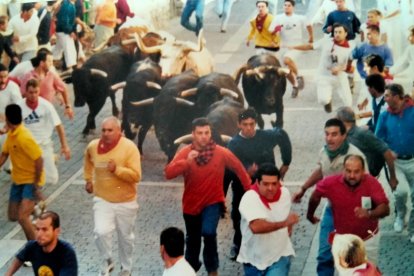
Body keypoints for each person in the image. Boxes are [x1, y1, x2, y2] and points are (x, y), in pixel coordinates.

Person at [164, 118, 251, 276]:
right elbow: (169, 173)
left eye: (207, 133)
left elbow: (239, 168)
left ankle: (212, 270)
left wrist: (250, 192)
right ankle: (192, 267)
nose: (204, 136)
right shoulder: (185, 153)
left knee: (209, 233)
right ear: (193, 134)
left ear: (210, 134)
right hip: (191, 205)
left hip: (213, 202)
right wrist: (186, 162)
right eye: (200, 133)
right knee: (193, 240)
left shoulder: (221, 152)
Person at [292, 118, 366, 276]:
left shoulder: (355, 156)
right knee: (324, 255)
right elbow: (321, 170)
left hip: (352, 213)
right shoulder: (324, 151)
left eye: (334, 134)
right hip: (331, 211)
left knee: (351, 258)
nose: (329, 138)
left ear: (344, 136)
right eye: (327, 134)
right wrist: (304, 188)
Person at [225, 108, 292, 260]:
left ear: (256, 123)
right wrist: (245, 172)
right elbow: (230, 168)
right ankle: (238, 243)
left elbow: (282, 135)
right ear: (239, 125)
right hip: (243, 187)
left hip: (268, 185)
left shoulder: (266, 136)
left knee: (270, 212)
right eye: (245, 124)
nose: (249, 128)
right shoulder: (234, 144)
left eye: (252, 124)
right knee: (238, 214)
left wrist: (286, 162)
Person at [84, 116, 141, 276]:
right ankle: (108, 259)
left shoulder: (129, 148)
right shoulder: (93, 146)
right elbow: (88, 160)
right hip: (102, 199)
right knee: (100, 232)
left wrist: (117, 170)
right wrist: (88, 180)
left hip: (126, 201)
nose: (106, 133)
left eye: (110, 130)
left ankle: (126, 268)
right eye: (103, 130)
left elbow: (136, 176)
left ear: (119, 131)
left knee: (125, 237)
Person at [307, 155, 390, 265]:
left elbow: (385, 208)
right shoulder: (331, 183)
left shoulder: (371, 183)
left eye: (356, 172)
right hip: (344, 241)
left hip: (368, 240)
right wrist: (310, 214)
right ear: (343, 170)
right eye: (348, 171)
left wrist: (369, 213)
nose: (352, 175)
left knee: (369, 272)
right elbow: (315, 195)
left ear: (363, 171)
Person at [237, 163, 299, 275]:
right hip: (252, 260)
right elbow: (256, 227)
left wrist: (288, 226)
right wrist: (285, 223)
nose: (270, 188)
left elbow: (282, 214)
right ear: (257, 182)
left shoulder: (284, 194)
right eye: (265, 184)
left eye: (274, 184)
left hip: (279, 257)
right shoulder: (250, 197)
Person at [375, 83, 414, 241]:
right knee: (401, 192)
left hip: (413, 160)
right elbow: (378, 138)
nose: (385, 98)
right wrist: (387, 150)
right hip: (394, 164)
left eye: (387, 96)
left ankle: (412, 230)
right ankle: (400, 215)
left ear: (397, 97)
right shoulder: (384, 115)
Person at [0, 104, 45, 241]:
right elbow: (4, 154)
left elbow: (39, 160)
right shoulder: (11, 135)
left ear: (7, 119)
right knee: (13, 216)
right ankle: (36, 208)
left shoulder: (24, 137)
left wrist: (36, 185)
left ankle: (35, 250)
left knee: (22, 217)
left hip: (30, 181)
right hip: (18, 180)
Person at [290, 23, 353, 112]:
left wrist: (339, 69)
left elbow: (351, 68)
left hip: (340, 77)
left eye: (340, 32)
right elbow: (310, 46)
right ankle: (327, 103)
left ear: (346, 33)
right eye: (335, 32)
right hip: (324, 76)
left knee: (348, 103)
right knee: (323, 100)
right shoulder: (326, 41)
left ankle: (348, 121)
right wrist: (293, 47)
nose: (337, 34)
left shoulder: (350, 48)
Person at [18, 79, 70, 185]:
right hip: (26, 146)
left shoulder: (46, 106)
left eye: (36, 92)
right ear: (25, 92)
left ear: (39, 91)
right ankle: (32, 194)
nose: (33, 95)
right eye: (31, 92)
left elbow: (59, 126)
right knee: (29, 177)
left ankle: (50, 160)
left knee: (52, 179)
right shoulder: (19, 106)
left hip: (43, 144)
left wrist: (64, 146)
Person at [336, 106, 397, 188]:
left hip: (364, 179)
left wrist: (392, 177)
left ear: (342, 121)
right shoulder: (342, 135)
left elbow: (386, 151)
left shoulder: (362, 134)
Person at [5, 211, 78, 276]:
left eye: (44, 229)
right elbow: (19, 259)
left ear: (56, 231)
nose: (39, 234)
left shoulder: (66, 253)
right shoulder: (32, 246)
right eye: (37, 229)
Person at [271, 0, 313, 97]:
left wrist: (311, 37)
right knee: (283, 70)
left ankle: (298, 76)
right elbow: (272, 32)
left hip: (296, 46)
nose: (286, 7)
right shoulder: (278, 18)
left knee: (287, 60)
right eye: (285, 5)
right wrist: (274, 38)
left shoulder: (299, 18)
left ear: (293, 7)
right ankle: (295, 85)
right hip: (283, 46)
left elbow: (309, 25)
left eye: (289, 5)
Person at [20, 49, 74, 119]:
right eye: (49, 61)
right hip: (31, 115)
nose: (51, 64)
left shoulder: (52, 75)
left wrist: (68, 106)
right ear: (42, 63)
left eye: (52, 61)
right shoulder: (28, 76)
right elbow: (22, 96)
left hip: (46, 114)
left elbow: (63, 89)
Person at [390, 27, 414, 99]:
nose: (408, 38)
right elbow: (401, 63)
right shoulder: (411, 48)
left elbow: (402, 64)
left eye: (410, 35)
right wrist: (390, 72)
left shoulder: (411, 48)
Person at [53, 0, 78, 70]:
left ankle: (51, 67)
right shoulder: (67, 5)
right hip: (64, 32)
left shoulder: (68, 4)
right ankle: (71, 72)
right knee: (70, 53)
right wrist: (70, 31)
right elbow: (64, 21)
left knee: (57, 51)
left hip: (62, 31)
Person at [0, 63, 22, 135]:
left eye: (5, 77)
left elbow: (19, 107)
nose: (3, 80)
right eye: (0, 77)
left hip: (8, 128)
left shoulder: (13, 87)